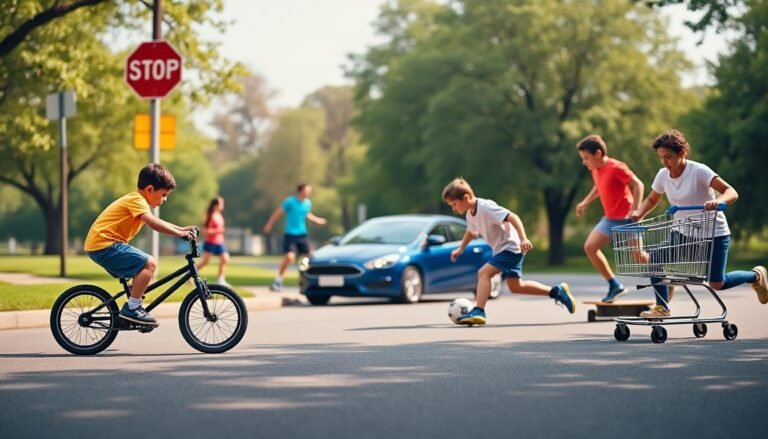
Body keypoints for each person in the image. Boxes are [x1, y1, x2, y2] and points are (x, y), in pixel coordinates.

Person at [630, 129, 767, 318]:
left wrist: (719, 201)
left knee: (717, 283)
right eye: (661, 158)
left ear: (682, 153)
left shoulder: (699, 171)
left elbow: (731, 191)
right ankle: (662, 308)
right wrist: (639, 213)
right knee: (655, 259)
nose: (664, 162)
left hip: (714, 234)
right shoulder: (663, 175)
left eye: (668, 157)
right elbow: (652, 200)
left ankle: (756, 276)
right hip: (683, 234)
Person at [442, 177, 575, 325]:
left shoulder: (486, 207)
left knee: (483, 273)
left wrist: (523, 238)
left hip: (510, 247)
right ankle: (557, 292)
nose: (453, 209)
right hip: (503, 250)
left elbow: (513, 217)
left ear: (465, 198)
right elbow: (471, 232)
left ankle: (479, 310)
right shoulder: (469, 214)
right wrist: (460, 248)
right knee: (516, 286)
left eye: (454, 204)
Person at [84, 163, 196, 327]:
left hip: (104, 245)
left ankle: (133, 313)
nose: (164, 200)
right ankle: (132, 309)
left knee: (145, 273)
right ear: (150, 189)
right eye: (164, 194)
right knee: (149, 263)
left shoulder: (138, 201)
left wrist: (182, 228)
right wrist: (179, 233)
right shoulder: (136, 200)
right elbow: (153, 223)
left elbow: (157, 221)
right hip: (104, 244)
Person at [575, 134, 645, 303]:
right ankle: (615, 285)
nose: (584, 162)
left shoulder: (616, 167)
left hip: (629, 218)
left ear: (598, 154)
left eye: (586, 158)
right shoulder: (596, 169)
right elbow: (599, 187)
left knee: (638, 256)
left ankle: (662, 274)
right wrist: (586, 202)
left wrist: (636, 210)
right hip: (610, 218)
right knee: (590, 247)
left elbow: (638, 185)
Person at [263, 183, 327, 291]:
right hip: (290, 234)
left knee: (310, 257)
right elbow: (277, 213)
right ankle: (278, 281)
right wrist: (269, 224)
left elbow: (306, 214)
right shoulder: (290, 202)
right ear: (301, 191)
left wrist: (317, 220)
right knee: (289, 257)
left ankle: (308, 279)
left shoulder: (307, 203)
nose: (309, 193)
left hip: (302, 234)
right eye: (307, 190)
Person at [196, 196, 230, 286]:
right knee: (205, 262)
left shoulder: (219, 215)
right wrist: (218, 231)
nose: (223, 205)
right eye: (221, 203)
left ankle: (221, 279)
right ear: (216, 205)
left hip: (220, 242)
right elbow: (205, 231)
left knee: (225, 259)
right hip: (210, 242)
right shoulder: (210, 215)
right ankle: (190, 275)